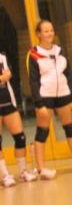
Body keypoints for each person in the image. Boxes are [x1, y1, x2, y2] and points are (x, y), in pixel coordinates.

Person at [27, 20, 72, 179]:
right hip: (45, 96)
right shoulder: (33, 54)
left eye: (51, 30)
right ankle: (41, 169)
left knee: (70, 128)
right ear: (39, 34)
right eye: (46, 31)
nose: (49, 33)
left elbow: (69, 75)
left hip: (64, 94)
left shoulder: (60, 51)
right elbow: (33, 82)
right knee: (42, 132)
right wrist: (39, 104)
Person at [0, 52, 37, 186]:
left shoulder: (2, 56)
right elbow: (4, 76)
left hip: (8, 101)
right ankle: (5, 175)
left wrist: (4, 77)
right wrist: (1, 78)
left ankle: (23, 172)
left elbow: (9, 74)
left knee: (20, 137)